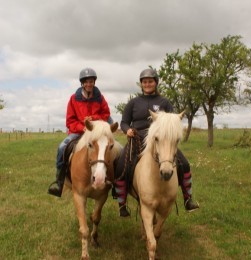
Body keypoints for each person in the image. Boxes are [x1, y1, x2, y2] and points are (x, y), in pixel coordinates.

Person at [115, 68, 199, 217]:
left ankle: (188, 198)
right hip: (137, 138)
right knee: (121, 164)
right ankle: (122, 203)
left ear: (156, 83)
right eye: (144, 82)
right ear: (141, 84)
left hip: (162, 140)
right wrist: (127, 130)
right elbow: (124, 122)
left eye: (150, 81)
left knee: (184, 164)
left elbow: (173, 121)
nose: (147, 84)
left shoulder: (164, 102)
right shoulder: (133, 103)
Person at [48, 67, 111, 197]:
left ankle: (113, 181)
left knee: (114, 149)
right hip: (78, 132)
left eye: (91, 81)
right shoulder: (73, 99)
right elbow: (70, 121)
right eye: (86, 82)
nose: (89, 84)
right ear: (82, 83)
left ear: (94, 82)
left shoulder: (100, 98)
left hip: (96, 132)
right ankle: (59, 182)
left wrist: (93, 120)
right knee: (61, 148)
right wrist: (82, 127)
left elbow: (106, 115)